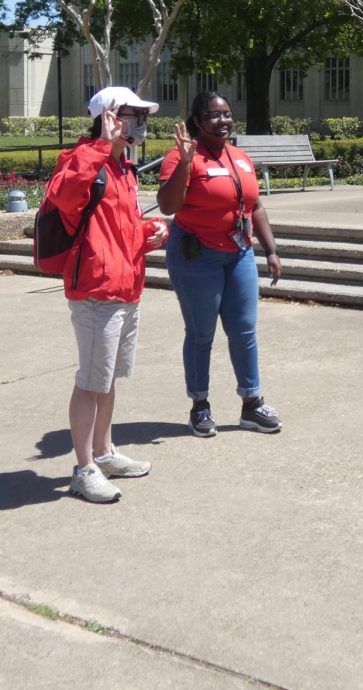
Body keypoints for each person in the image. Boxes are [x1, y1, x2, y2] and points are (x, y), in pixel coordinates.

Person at [49, 86, 169, 503]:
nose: (139, 122)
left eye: (141, 115)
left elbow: (115, 229)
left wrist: (147, 235)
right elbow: (65, 197)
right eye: (132, 114)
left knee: (107, 379)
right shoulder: (84, 159)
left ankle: (103, 451)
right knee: (90, 381)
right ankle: (83, 469)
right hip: (96, 291)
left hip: (124, 287)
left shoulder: (123, 168)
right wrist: (99, 144)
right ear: (109, 117)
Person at [157, 91, 283, 437]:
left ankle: (251, 404)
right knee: (200, 334)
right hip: (196, 257)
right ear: (197, 121)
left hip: (239, 253)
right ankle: (200, 406)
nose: (222, 120)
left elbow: (254, 206)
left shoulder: (240, 156)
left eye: (226, 113)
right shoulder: (181, 156)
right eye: (213, 115)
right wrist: (184, 163)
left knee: (244, 331)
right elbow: (168, 205)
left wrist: (270, 250)